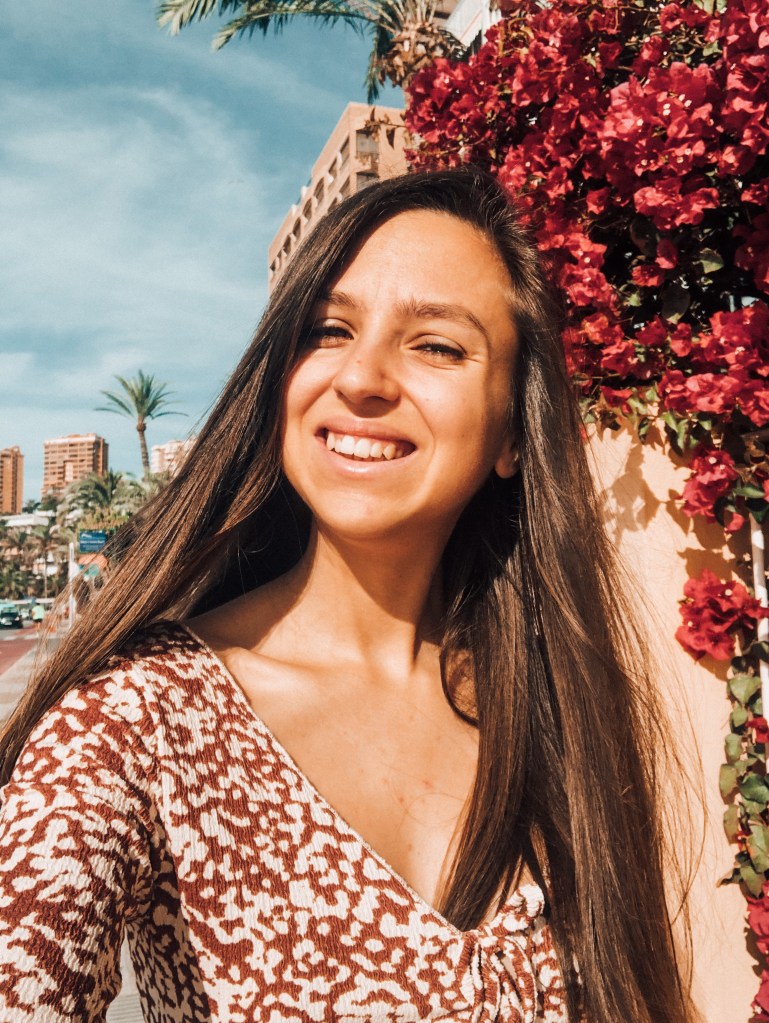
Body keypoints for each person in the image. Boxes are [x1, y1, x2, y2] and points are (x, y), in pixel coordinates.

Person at [0, 169, 696, 1023]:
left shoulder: (559, 708)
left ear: (513, 430)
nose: (361, 377)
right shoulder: (134, 722)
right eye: (328, 330)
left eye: (437, 344)